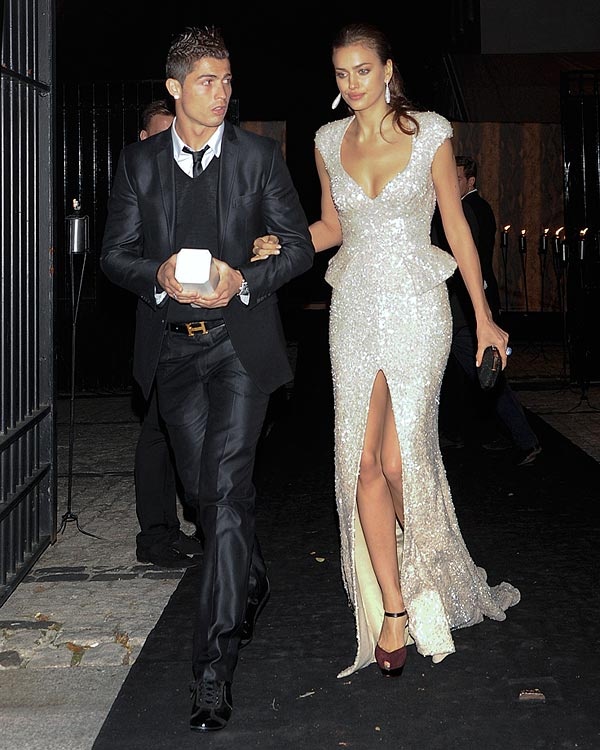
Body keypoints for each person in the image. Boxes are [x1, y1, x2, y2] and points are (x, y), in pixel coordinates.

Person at [253, 22, 520, 680]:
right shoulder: (326, 140)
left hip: (418, 306)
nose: (352, 83)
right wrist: (285, 243)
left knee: (402, 461)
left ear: (388, 69)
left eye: (363, 70)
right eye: (342, 73)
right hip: (353, 309)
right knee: (362, 460)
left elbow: (454, 224)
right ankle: (395, 609)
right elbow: (332, 226)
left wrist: (484, 317)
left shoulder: (430, 132)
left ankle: (434, 574)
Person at [100, 26, 314, 732]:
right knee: (205, 496)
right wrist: (156, 273)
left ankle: (213, 671)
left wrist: (243, 280)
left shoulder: (258, 157)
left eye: (226, 81)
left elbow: (299, 247)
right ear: (175, 88)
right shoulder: (138, 163)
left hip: (238, 348)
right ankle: (249, 575)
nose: (221, 94)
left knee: (223, 494)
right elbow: (113, 255)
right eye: (206, 82)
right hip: (172, 351)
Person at [433, 156, 542, 466]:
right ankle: (453, 433)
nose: (447, 183)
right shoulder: (458, 208)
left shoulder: (466, 210)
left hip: (459, 311)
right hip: (456, 308)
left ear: (470, 181)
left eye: (455, 178)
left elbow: (464, 261)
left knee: (487, 377)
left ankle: (525, 439)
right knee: (459, 377)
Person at [135, 99, 203, 568]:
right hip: (161, 328)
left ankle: (193, 526)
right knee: (160, 433)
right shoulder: (137, 183)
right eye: (160, 136)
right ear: (144, 140)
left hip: (203, 326)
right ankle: (158, 536)